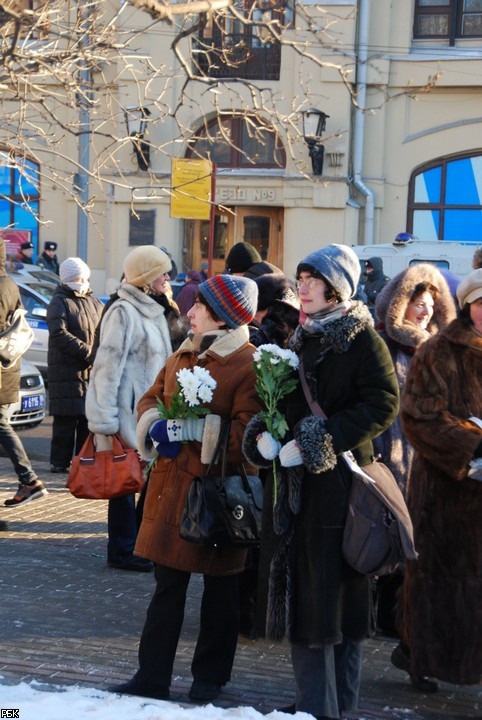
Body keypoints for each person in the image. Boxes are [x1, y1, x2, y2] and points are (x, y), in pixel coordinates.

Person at [243, 244, 399, 720]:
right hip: (300, 493)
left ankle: (323, 709)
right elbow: (285, 404)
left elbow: (383, 404)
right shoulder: (301, 336)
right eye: (302, 278)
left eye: (313, 280)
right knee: (316, 602)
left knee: (330, 607)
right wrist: (264, 436)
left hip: (340, 493)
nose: (302, 287)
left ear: (337, 289)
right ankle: (323, 703)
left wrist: (319, 438)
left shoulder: (360, 339)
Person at [111, 273, 262, 703]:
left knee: (220, 593)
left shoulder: (247, 363)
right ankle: (151, 676)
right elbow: (150, 397)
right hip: (170, 491)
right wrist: (154, 423)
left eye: (198, 305)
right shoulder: (185, 352)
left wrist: (192, 428)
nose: (189, 309)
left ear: (221, 315)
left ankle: (209, 681)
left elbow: (246, 437)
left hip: (217, 498)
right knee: (166, 588)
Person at [394, 267, 482, 689]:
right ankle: (419, 658)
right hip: (446, 494)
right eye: (481, 303)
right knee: (439, 585)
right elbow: (418, 416)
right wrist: (472, 442)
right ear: (467, 306)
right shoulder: (439, 351)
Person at [372, 264, 456, 645]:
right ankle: (378, 615)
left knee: (415, 544)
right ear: (399, 303)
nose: (423, 311)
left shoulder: (440, 350)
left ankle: (400, 624)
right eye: (416, 302)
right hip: (386, 456)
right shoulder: (381, 344)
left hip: (425, 463)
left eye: (429, 305)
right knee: (381, 538)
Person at [86, 246, 181, 572]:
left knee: (150, 483)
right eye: (162, 273)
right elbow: (106, 367)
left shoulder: (155, 309)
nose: (168, 278)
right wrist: (105, 420)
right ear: (146, 276)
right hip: (126, 414)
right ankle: (123, 550)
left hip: (150, 413)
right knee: (125, 483)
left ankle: (139, 544)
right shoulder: (123, 311)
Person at [0, 238, 47, 507]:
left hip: (1, 368)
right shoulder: (9, 283)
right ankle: (28, 481)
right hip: (9, 366)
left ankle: (29, 480)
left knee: (1, 425)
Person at [47, 257, 103, 473]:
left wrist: (99, 353)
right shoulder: (59, 301)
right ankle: (59, 464)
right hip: (66, 371)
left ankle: (83, 462)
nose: (80, 279)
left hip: (89, 372)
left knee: (85, 421)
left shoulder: (94, 301)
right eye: (76, 276)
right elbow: (59, 333)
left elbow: (103, 330)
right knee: (65, 421)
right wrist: (88, 352)